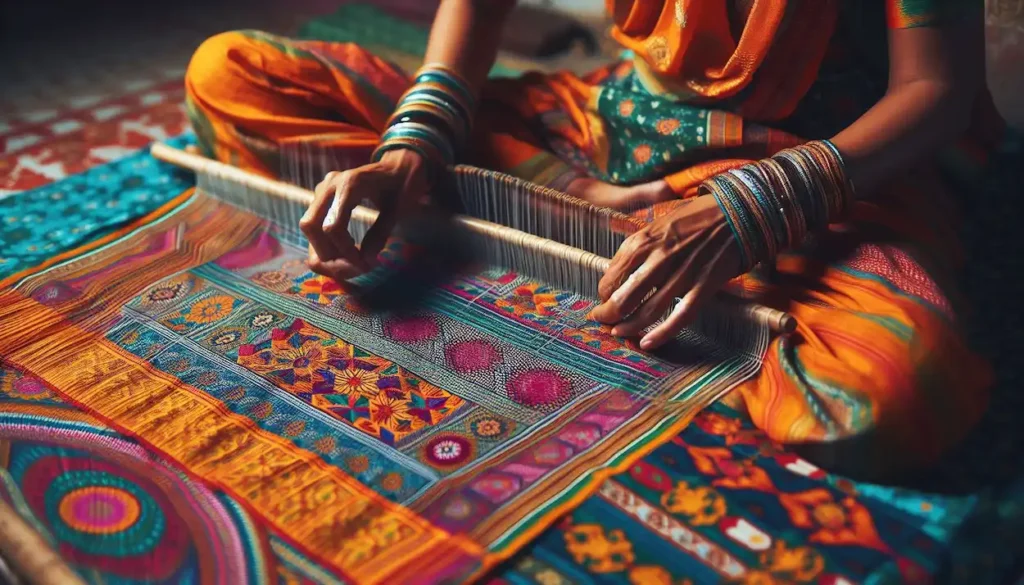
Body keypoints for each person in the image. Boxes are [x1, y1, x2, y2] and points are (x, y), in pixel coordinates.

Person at [183, 0, 1015, 480]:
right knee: (228, 75)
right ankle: (579, 202)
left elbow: (936, 90)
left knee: (889, 397)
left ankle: (560, 209)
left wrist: (750, 206)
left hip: (817, 163)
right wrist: (412, 145)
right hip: (602, 126)